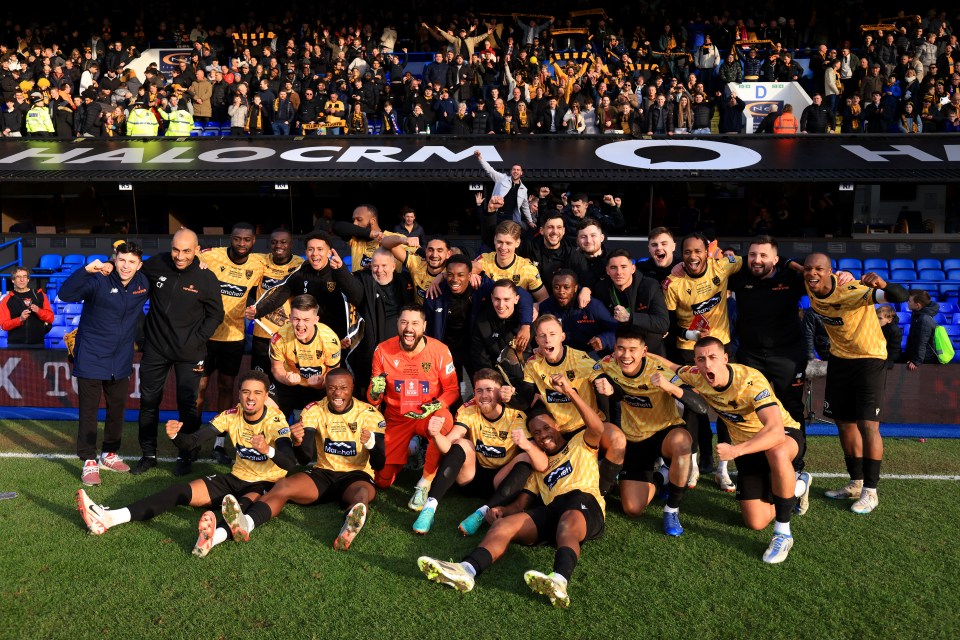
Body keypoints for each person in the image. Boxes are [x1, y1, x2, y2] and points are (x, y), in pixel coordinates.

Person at [417, 373, 605, 608]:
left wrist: (570, 392)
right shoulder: (538, 468)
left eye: (546, 428)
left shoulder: (580, 443)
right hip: (552, 509)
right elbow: (523, 501)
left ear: (557, 425)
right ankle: (466, 569)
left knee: (568, 521)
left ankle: (559, 580)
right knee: (503, 526)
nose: (542, 434)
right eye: (536, 433)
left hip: (583, 502)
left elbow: (597, 427)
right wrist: (503, 510)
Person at [76, 371, 297, 558]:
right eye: (246, 392)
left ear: (265, 396)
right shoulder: (230, 415)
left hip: (263, 483)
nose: (251, 398)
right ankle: (109, 518)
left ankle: (214, 539)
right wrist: (176, 436)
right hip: (234, 478)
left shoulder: (275, 420)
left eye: (257, 393)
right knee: (179, 491)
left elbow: (289, 461)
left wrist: (267, 449)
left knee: (240, 511)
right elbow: (193, 442)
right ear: (238, 394)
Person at [659, 337, 812, 564]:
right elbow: (670, 366)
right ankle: (799, 486)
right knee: (755, 522)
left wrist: (736, 451)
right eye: (701, 359)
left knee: (777, 453)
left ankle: (783, 533)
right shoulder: (696, 375)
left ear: (725, 358)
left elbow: (776, 432)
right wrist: (640, 355)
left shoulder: (750, 380)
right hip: (747, 449)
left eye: (712, 358)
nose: (707, 364)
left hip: (781, 435)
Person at [222, 368, 386, 552]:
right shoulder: (314, 410)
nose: (337, 393)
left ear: (352, 388)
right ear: (325, 388)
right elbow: (304, 458)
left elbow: (379, 464)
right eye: (332, 388)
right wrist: (298, 442)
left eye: (343, 388)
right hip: (323, 474)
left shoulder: (369, 414)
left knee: (361, 494)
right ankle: (247, 523)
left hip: (356, 476)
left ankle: (350, 524)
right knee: (283, 486)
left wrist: (372, 443)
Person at [802, 254, 908, 514]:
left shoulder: (854, 290)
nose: (812, 274)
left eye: (819, 269)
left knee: (867, 424)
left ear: (830, 272)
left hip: (869, 359)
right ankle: (855, 483)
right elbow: (785, 264)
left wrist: (882, 284)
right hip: (839, 359)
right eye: (808, 269)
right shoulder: (809, 282)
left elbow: (900, 296)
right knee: (844, 423)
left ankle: (871, 492)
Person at [594, 326, 706, 535]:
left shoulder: (659, 369)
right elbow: (585, 368)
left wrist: (670, 387)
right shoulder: (607, 364)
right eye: (621, 348)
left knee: (682, 444)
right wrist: (611, 390)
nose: (626, 355)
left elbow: (700, 406)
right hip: (635, 438)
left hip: (665, 432)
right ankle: (662, 476)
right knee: (632, 509)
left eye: (632, 349)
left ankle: (671, 509)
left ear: (644, 351)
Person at [132, 229, 224, 476]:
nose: (179, 256)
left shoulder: (207, 277)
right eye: (176, 249)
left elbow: (216, 314)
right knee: (149, 403)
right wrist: (142, 333)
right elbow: (130, 282)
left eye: (186, 251)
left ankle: (187, 453)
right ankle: (148, 455)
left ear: (196, 250)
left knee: (187, 405)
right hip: (156, 348)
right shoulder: (157, 264)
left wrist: (197, 339)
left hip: (190, 352)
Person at [412, 368, 548, 535]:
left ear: (501, 392)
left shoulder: (516, 415)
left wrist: (526, 445)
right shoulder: (468, 409)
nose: (484, 396)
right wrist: (436, 435)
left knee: (527, 455)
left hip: (500, 484)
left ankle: (482, 513)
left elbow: (542, 465)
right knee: (462, 442)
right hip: (471, 478)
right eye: (479, 391)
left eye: (490, 390)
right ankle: (429, 508)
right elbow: (448, 447)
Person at [58, 243, 149, 486]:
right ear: (115, 259)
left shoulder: (143, 282)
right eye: (122, 260)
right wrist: (86, 270)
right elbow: (65, 294)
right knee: (89, 411)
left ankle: (109, 453)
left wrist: (200, 261)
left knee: (117, 408)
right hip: (91, 355)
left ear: (139, 265)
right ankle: (88, 460)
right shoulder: (99, 279)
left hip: (120, 358)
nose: (126, 266)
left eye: (131, 262)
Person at [509, 315, 625, 495]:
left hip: (588, 427)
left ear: (562, 336)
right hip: (559, 433)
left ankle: (601, 490)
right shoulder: (533, 365)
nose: (547, 339)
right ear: (536, 340)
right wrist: (508, 397)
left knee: (617, 439)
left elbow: (615, 390)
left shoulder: (581, 359)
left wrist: (609, 389)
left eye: (552, 334)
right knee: (546, 473)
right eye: (542, 335)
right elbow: (525, 400)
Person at [727, 237, 811, 480]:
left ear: (776, 259)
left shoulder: (791, 278)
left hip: (787, 355)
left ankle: (796, 467)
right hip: (750, 354)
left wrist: (790, 263)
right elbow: (705, 270)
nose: (757, 260)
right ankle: (753, 463)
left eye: (764, 256)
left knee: (792, 408)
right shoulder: (740, 277)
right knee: (747, 408)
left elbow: (817, 272)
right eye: (753, 255)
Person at [663, 234, 742, 488]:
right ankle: (694, 467)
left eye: (698, 251)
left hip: (721, 348)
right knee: (693, 410)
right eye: (687, 252)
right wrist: (691, 334)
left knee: (727, 409)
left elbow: (753, 261)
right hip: (688, 350)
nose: (693, 256)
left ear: (706, 252)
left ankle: (722, 469)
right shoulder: (673, 283)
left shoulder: (722, 266)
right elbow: (669, 324)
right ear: (681, 254)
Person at [367, 304, 460, 509]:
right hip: (397, 418)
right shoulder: (382, 350)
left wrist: (434, 405)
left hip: (427, 413)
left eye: (415, 323)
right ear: (397, 325)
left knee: (443, 419)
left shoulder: (440, 350)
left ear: (424, 326)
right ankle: (409, 453)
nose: (409, 328)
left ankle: (424, 482)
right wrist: (375, 392)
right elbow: (374, 400)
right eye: (404, 322)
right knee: (382, 480)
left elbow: (452, 390)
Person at [197, 222, 265, 464]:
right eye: (237, 239)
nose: (242, 244)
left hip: (234, 338)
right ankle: (193, 441)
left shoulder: (258, 264)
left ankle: (219, 444)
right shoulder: (212, 256)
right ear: (230, 239)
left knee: (227, 388)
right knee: (199, 388)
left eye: (247, 240)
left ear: (253, 241)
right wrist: (198, 260)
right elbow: (185, 255)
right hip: (205, 337)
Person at [269, 294, 341, 418]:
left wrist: (322, 383)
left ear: (316, 320)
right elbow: (276, 368)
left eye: (306, 320)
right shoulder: (279, 337)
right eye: (296, 319)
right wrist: (286, 379)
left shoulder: (330, 339)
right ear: (290, 318)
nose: (300, 325)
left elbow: (333, 372)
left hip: (318, 389)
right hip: (288, 386)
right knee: (266, 410)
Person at [593, 250, 670, 357]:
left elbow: (662, 324)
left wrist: (630, 317)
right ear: (607, 270)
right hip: (618, 355)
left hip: (650, 354)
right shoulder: (601, 289)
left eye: (624, 267)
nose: (619, 272)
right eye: (613, 268)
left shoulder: (649, 286)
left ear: (633, 269)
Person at [250, 229, 304, 375]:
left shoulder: (300, 264)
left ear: (291, 244)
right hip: (262, 332)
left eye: (283, 242)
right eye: (274, 242)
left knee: (285, 376)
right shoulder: (261, 260)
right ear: (269, 245)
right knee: (259, 377)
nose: (278, 245)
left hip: (287, 333)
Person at [538, 269, 617, 355]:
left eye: (566, 287)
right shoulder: (546, 307)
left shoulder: (592, 305)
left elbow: (615, 329)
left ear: (575, 288)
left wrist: (603, 340)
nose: (561, 291)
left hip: (590, 354)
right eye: (556, 287)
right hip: (560, 355)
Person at [472, 220, 547, 302]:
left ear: (517, 243)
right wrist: (469, 275)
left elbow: (544, 299)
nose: (503, 247)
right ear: (494, 240)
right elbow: (461, 271)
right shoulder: (483, 260)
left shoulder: (527, 269)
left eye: (508, 243)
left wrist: (536, 306)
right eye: (500, 242)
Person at [474, 150, 534, 229]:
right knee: (493, 234)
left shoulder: (523, 189)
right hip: (496, 214)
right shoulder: (502, 178)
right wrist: (480, 158)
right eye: (514, 169)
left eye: (518, 170)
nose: (515, 171)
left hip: (510, 217)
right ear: (511, 171)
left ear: (521, 173)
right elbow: (489, 170)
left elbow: (525, 207)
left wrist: (530, 221)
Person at [0, 267, 55, 348]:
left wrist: (39, 311)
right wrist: (20, 319)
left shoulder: (39, 295)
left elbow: (51, 318)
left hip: (37, 344)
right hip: (15, 345)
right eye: (18, 277)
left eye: (25, 276)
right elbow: (4, 325)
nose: (22, 280)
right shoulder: (6, 300)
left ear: (28, 279)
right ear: (13, 280)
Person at [903, 289, 940, 369]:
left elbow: (921, 341)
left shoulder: (923, 319)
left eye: (909, 301)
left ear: (917, 305)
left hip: (926, 359)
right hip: (920, 355)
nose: (907, 302)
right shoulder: (918, 314)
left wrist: (916, 361)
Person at [875, 304, 903, 369]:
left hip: (887, 357)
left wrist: (888, 361)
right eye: (875, 317)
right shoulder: (874, 326)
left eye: (880, 318)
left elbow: (894, 349)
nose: (876, 321)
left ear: (889, 320)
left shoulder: (895, 331)